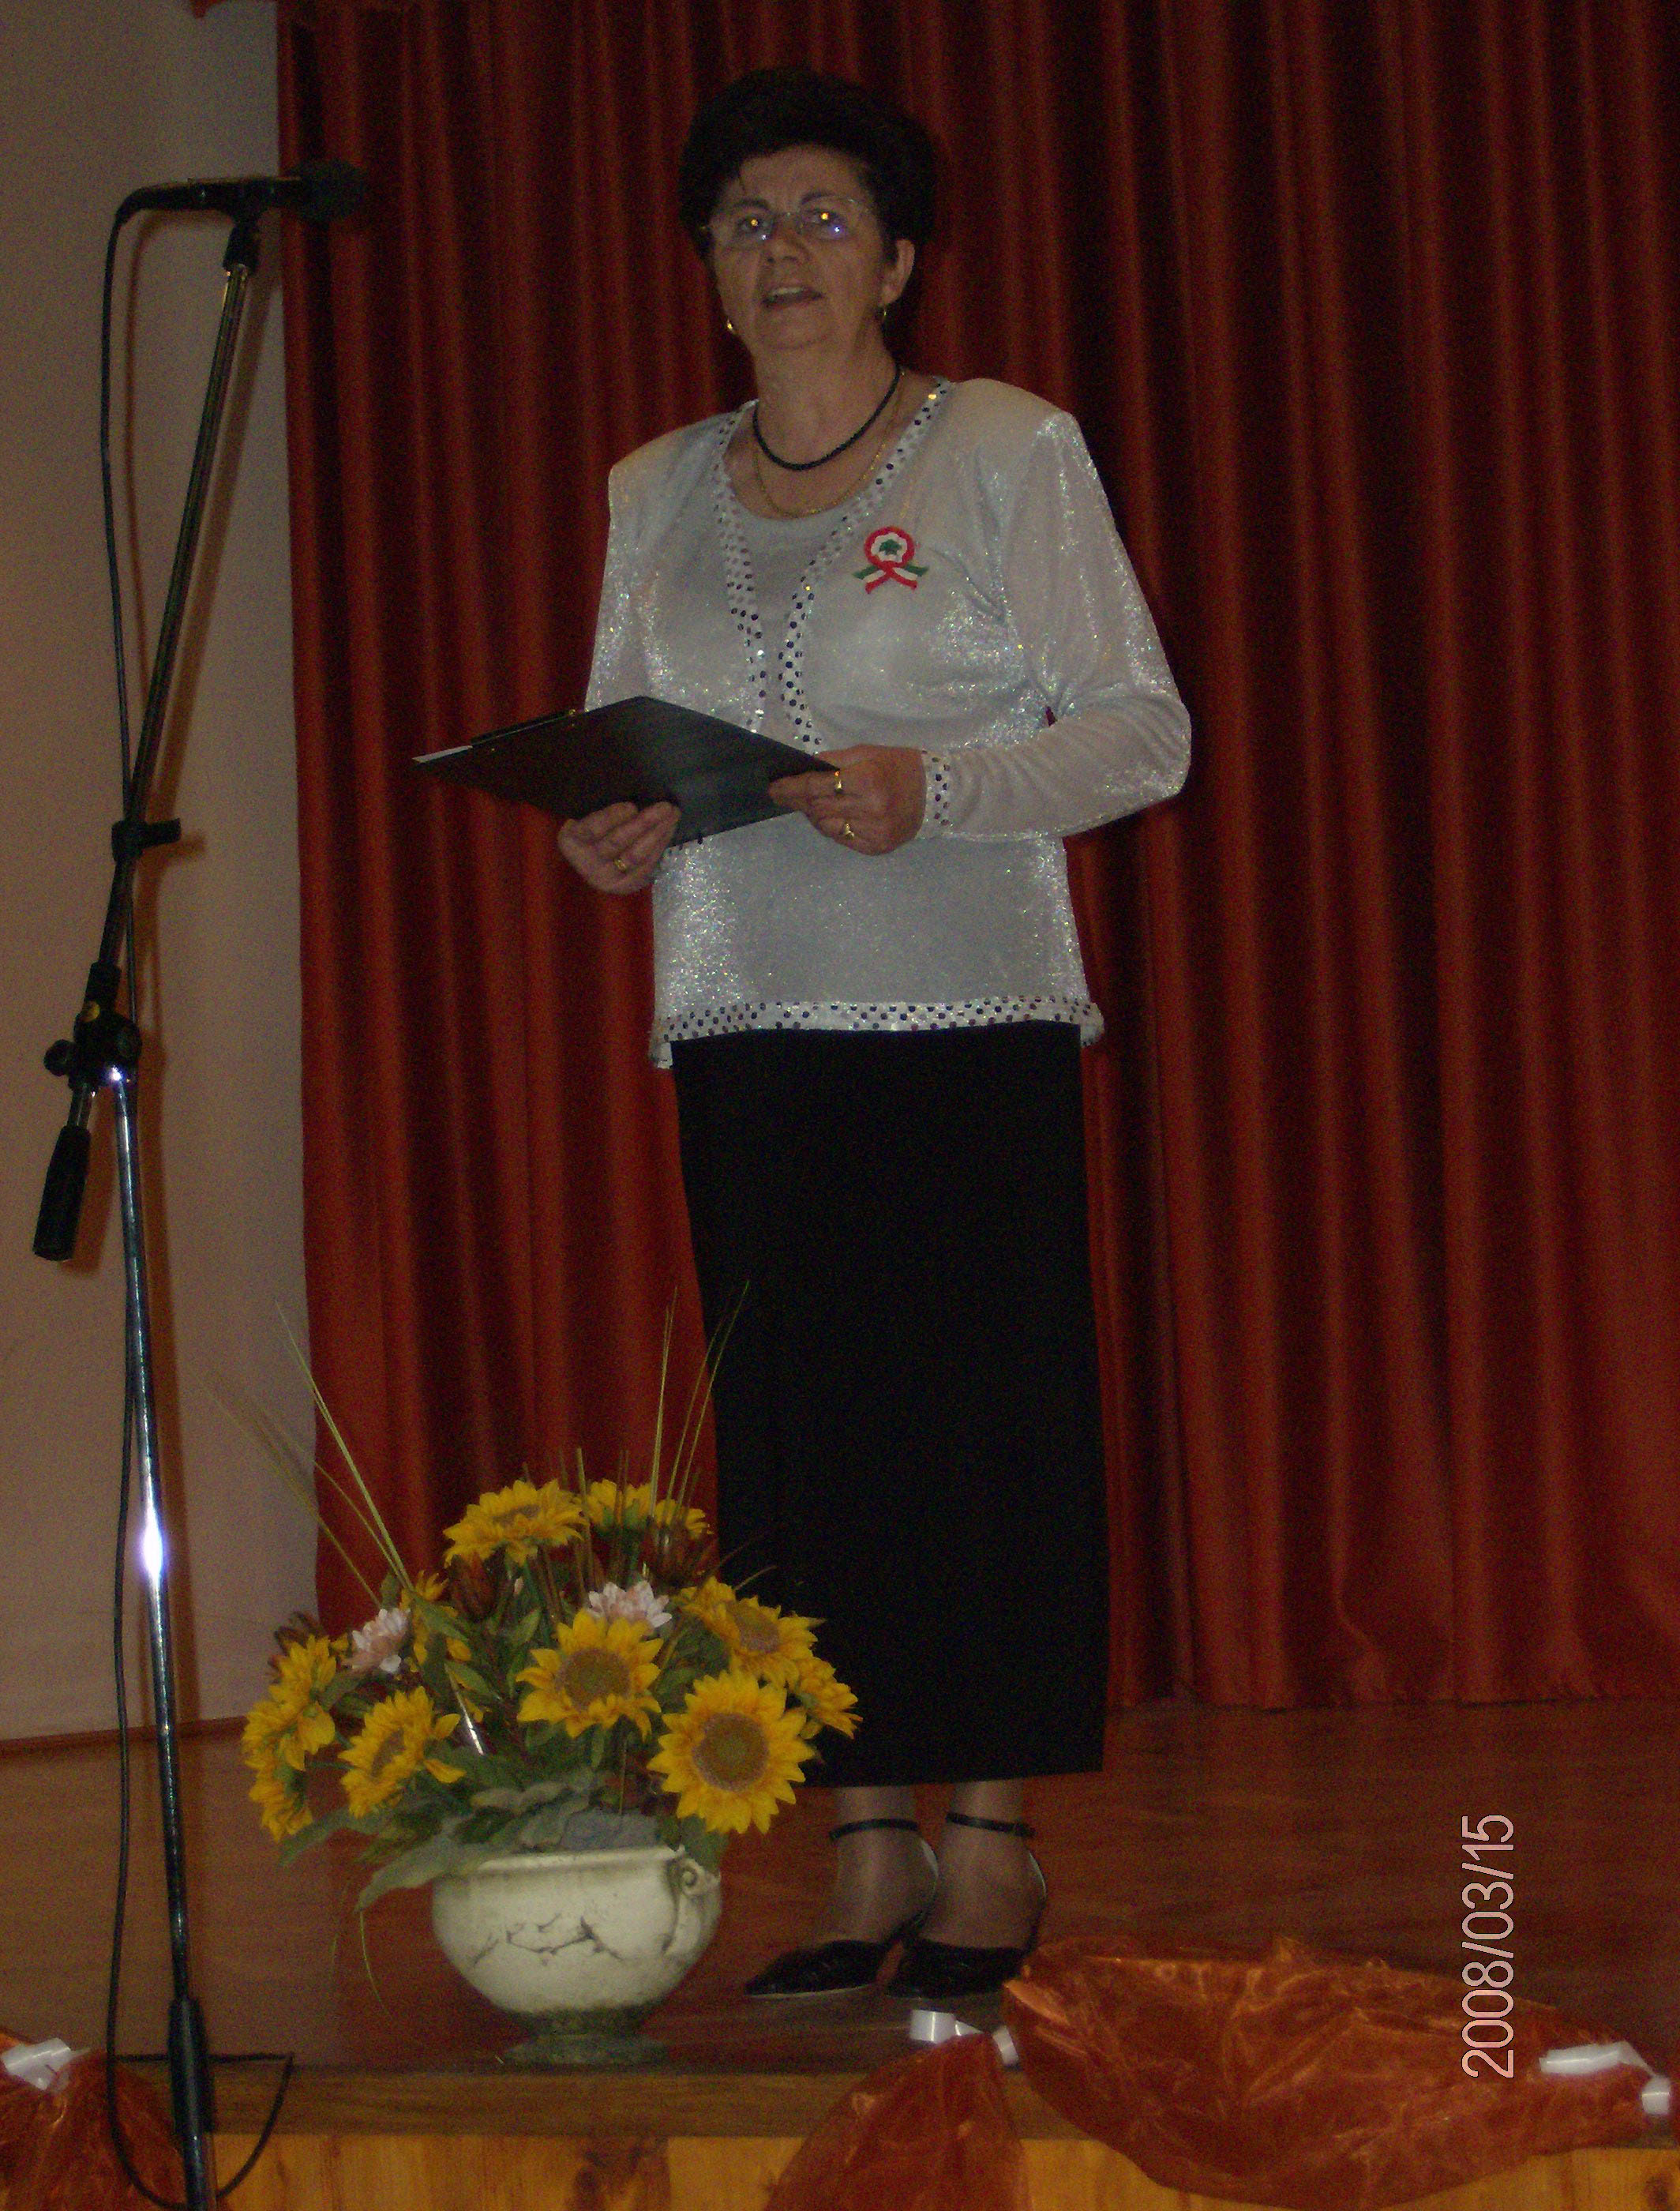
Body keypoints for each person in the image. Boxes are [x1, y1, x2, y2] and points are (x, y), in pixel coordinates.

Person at [559, 66, 1189, 2001]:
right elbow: (617, 740)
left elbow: (1140, 731)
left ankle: (986, 1840)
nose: (783, 252)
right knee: (800, 1446)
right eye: (745, 221)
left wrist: (940, 788)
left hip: (963, 1009)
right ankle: (861, 1841)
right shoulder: (651, 488)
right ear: (703, 264)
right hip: (744, 1016)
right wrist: (607, 831)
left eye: (824, 216)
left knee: (978, 1430)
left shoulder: (1003, 447)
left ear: (900, 258)